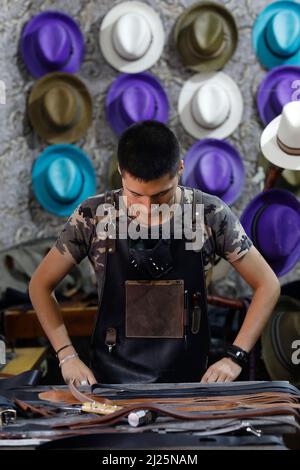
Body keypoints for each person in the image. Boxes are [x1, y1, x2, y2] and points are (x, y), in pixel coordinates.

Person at [29, 121, 280, 386]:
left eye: (161, 195)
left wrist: (235, 356)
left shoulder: (209, 214)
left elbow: (268, 284)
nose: (148, 207)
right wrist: (67, 355)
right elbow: (40, 285)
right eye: (135, 195)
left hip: (192, 380)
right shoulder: (93, 216)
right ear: (120, 172)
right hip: (111, 381)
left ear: (180, 169)